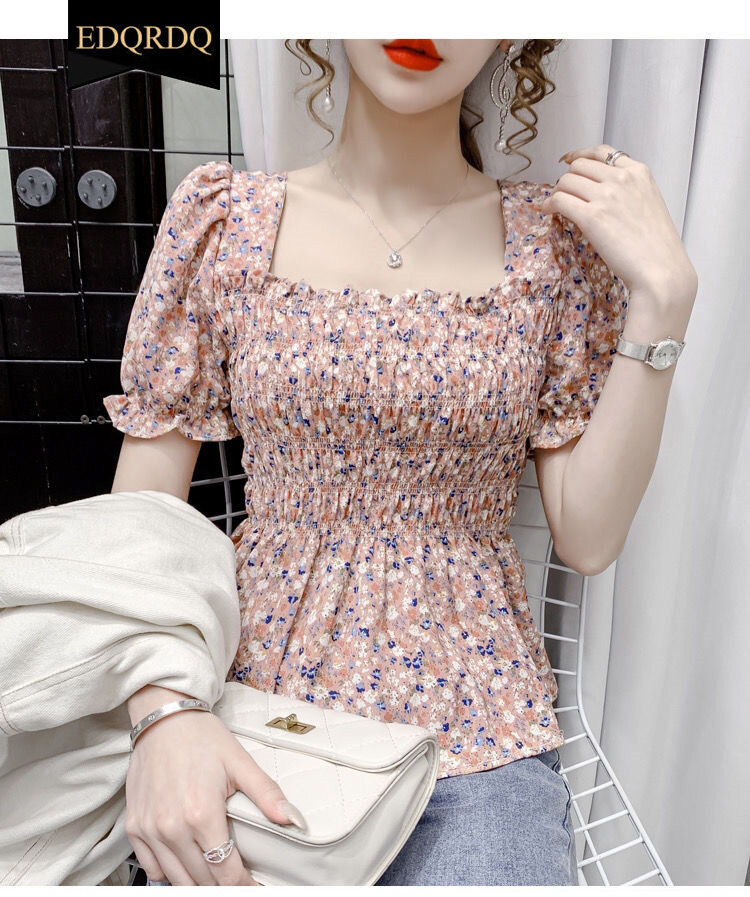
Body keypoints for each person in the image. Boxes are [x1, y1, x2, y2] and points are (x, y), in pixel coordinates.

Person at [102, 39, 698, 887]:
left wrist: (664, 300)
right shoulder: (225, 222)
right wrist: (163, 716)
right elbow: (141, 523)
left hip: (478, 734)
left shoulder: (552, 247)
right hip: (251, 713)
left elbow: (590, 536)